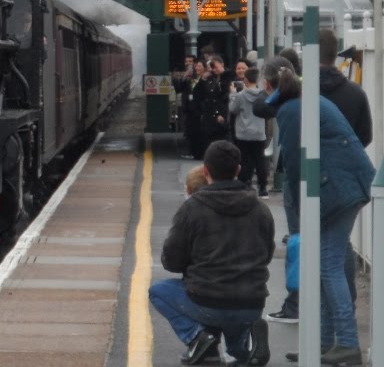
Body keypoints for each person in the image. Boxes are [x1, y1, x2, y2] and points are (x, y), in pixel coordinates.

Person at [268, 57, 374, 366]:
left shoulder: (290, 110)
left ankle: (348, 343)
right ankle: (325, 344)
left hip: (337, 192)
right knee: (329, 265)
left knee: (327, 267)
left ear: (269, 85)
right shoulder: (308, 100)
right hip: (347, 186)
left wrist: (302, 217)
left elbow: (294, 165)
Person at [150, 140, 273, 366]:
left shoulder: (192, 208)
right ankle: (252, 340)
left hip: (206, 301)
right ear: (238, 170)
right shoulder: (261, 208)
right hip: (251, 302)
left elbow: (172, 261)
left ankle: (199, 338)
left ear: (206, 171)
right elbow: (266, 255)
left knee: (158, 291)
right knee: (238, 352)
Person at [319, 28, 372, 148]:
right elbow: (366, 137)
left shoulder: (302, 94)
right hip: (347, 163)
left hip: (312, 166)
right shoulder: (357, 94)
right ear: (335, 52)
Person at [229, 67, 269, 197]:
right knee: (260, 160)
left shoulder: (240, 96)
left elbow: (233, 109)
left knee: (244, 160)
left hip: (243, 133)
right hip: (259, 132)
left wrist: (233, 94)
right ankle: (263, 187)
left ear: (245, 80)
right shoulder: (263, 95)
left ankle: (244, 184)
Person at [192, 57, 229, 156]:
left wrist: (223, 114)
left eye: (214, 66)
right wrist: (202, 79)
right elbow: (198, 94)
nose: (213, 69)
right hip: (209, 116)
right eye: (210, 67)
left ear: (221, 64)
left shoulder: (227, 77)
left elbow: (225, 98)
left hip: (221, 115)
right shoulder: (209, 79)